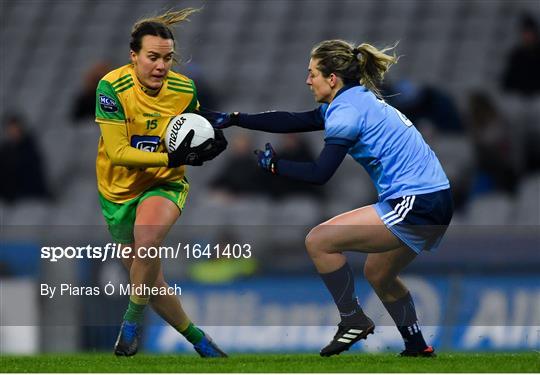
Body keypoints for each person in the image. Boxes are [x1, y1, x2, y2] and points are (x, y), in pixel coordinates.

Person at [200, 40, 453, 357]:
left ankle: (353, 320)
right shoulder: (356, 100)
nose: (307, 81)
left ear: (332, 78)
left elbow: (321, 173)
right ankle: (417, 346)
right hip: (435, 198)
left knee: (319, 240)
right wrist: (236, 118)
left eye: (312, 74)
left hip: (416, 202)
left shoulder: (346, 112)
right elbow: (294, 120)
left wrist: (276, 165)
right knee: (378, 274)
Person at [95, 8, 228, 358]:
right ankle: (200, 340)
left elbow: (195, 127)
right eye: (152, 57)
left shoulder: (184, 89)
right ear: (134, 56)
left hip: (165, 184)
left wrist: (213, 136)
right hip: (118, 192)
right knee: (150, 282)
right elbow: (119, 152)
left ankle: (131, 321)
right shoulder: (111, 86)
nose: (161, 66)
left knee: (148, 239)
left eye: (168, 58)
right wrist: (172, 156)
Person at [0, 113, 50, 203]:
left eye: (15, 129)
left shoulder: (29, 149)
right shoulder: (6, 149)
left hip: (30, 193)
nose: (13, 132)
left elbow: (32, 175)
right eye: (10, 130)